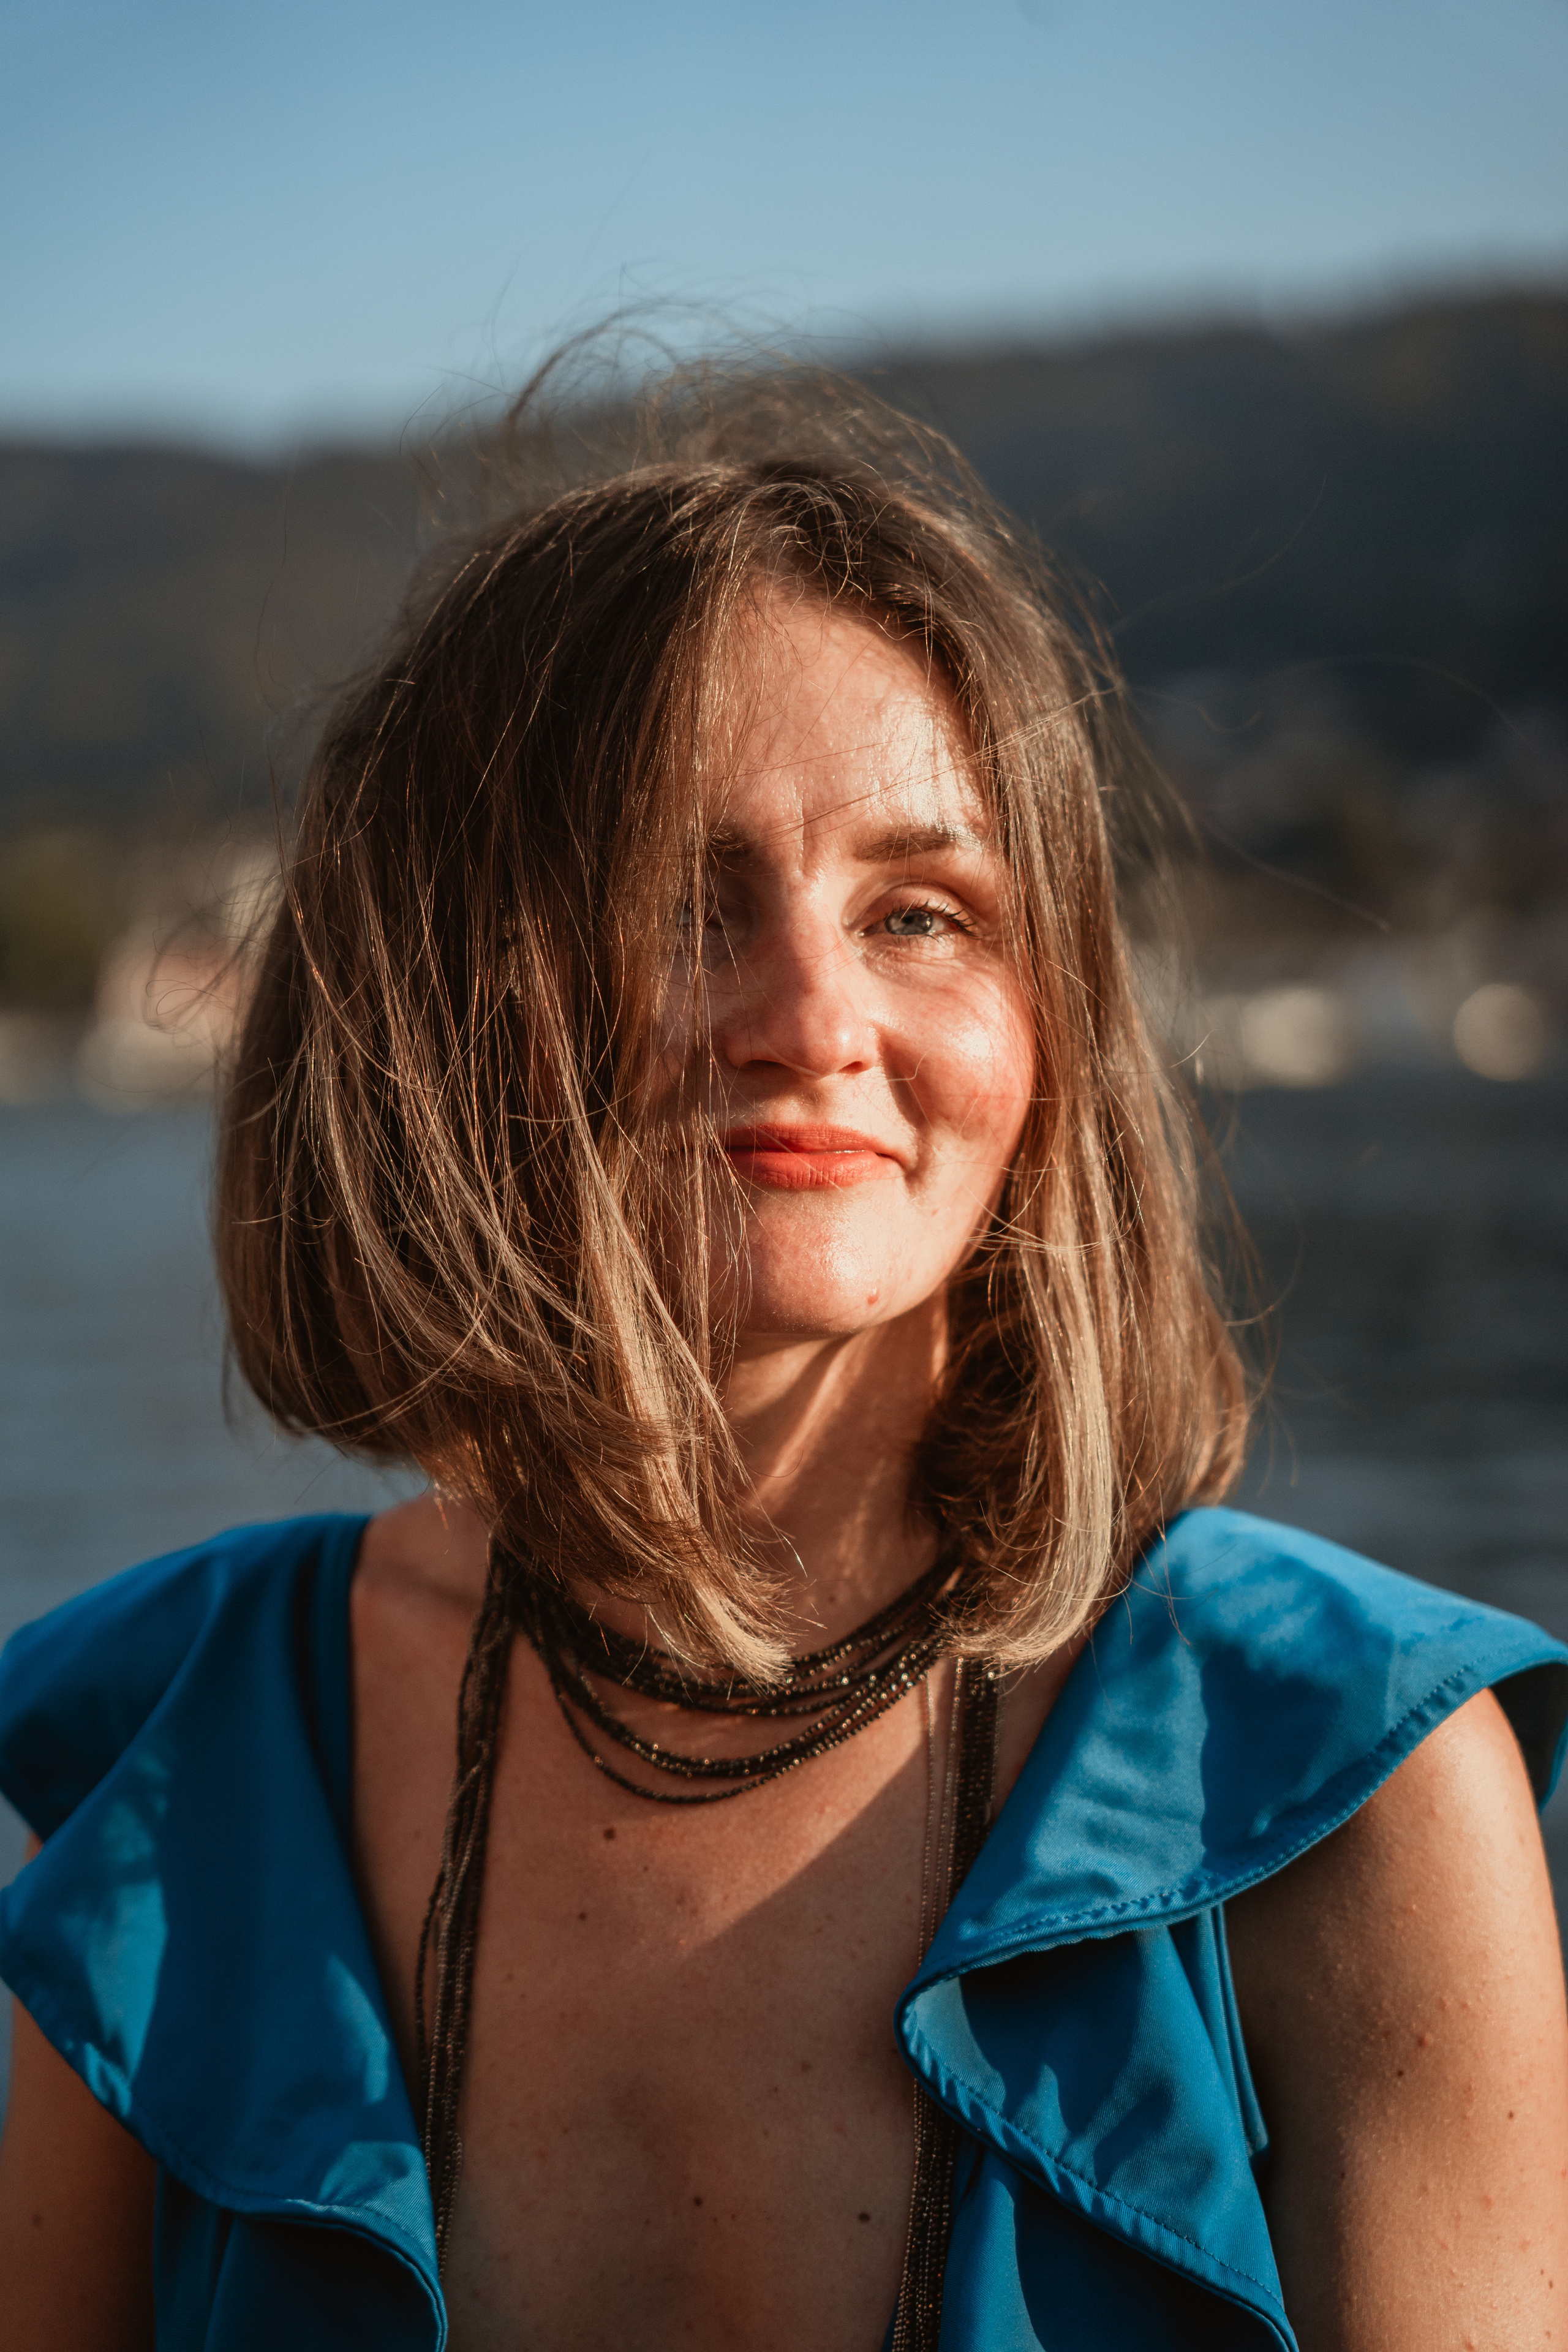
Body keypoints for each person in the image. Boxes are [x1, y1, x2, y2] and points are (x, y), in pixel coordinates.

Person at [1, 369, 1565, 2352]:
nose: (816, 1017)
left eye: (922, 913)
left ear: (1054, 1031)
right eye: (678, 896)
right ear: (422, 998)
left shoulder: (1346, 1796)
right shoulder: (198, 1771)